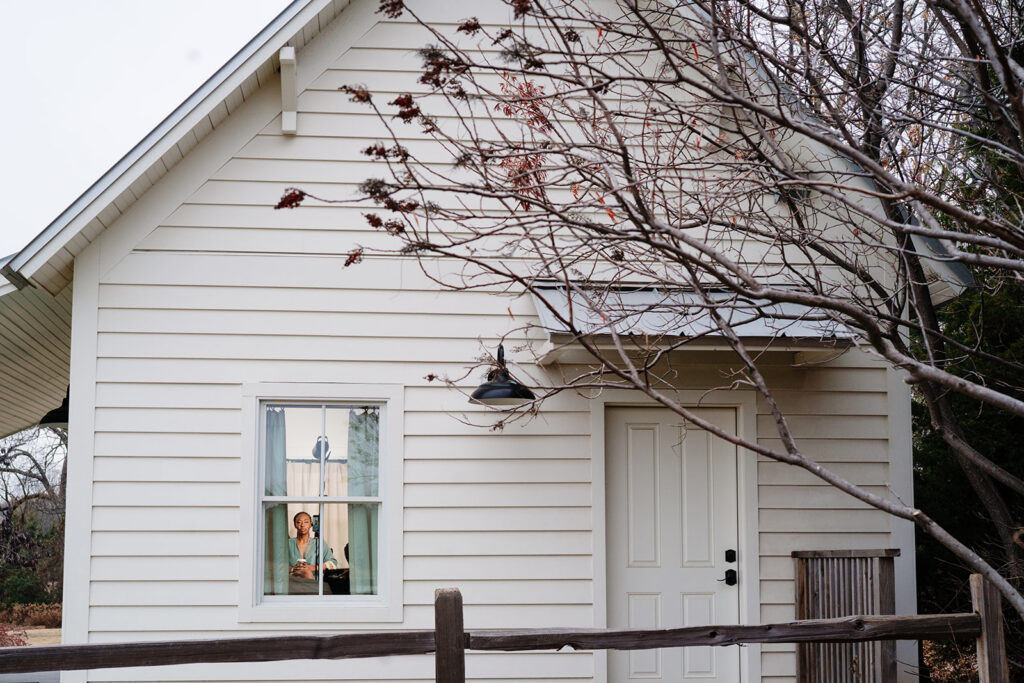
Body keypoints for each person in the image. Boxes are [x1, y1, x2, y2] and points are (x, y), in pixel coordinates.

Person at [287, 511, 337, 580]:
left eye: (306, 522)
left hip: (315, 584)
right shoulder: (287, 544)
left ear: (311, 524)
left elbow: (333, 563)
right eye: (299, 522)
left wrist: (313, 568)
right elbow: (276, 566)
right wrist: (292, 569)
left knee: (307, 573)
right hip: (292, 583)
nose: (302, 525)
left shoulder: (319, 543)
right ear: (295, 525)